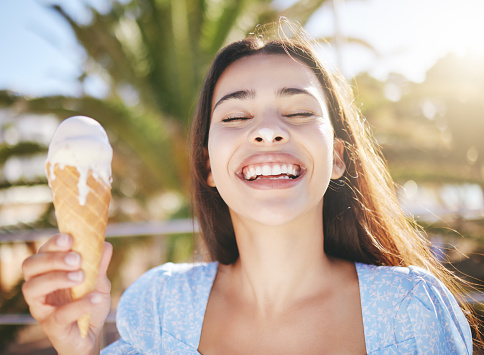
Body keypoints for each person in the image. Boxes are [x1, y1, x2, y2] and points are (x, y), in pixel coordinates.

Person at [22, 20, 476, 354]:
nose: (267, 131)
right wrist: (76, 348)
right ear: (208, 167)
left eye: (298, 112)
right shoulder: (159, 306)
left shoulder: (414, 310)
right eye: (236, 117)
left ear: (337, 157)